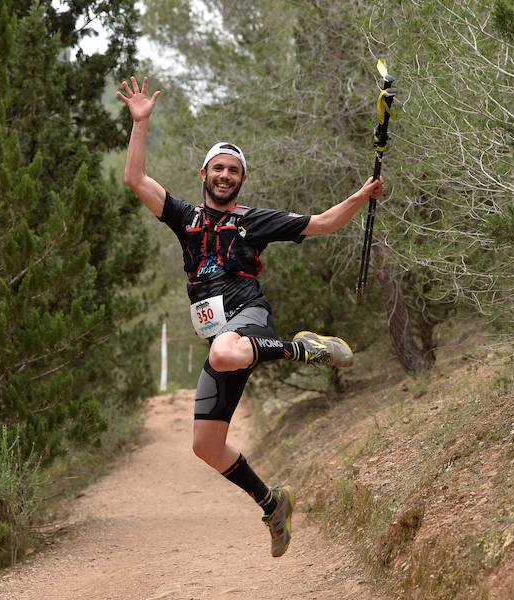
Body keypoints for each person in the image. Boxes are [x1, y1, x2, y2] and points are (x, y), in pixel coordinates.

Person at [117, 76, 383, 558]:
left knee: (225, 349)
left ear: (242, 178)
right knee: (206, 446)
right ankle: (271, 501)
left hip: (248, 318)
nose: (224, 175)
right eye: (217, 168)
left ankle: (304, 347)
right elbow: (135, 179)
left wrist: (361, 197)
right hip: (223, 343)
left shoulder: (252, 220)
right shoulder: (185, 218)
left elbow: (322, 223)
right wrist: (141, 124)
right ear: (203, 173)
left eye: (232, 170)